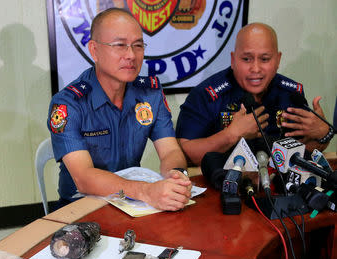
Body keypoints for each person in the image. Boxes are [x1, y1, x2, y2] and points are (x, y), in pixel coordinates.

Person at [47, 8, 191, 211]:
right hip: (82, 207)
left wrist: (176, 177)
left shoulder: (150, 93)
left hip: (134, 203)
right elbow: (84, 178)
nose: (131, 55)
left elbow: (170, 150)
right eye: (120, 45)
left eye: (138, 45)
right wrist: (145, 191)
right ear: (94, 50)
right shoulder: (68, 103)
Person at [176, 23, 332, 165]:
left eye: (265, 59)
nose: (255, 69)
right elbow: (185, 154)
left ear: (277, 60)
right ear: (233, 60)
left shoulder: (290, 93)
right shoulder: (206, 95)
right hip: (220, 185)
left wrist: (323, 134)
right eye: (246, 59)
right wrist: (231, 135)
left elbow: (305, 150)